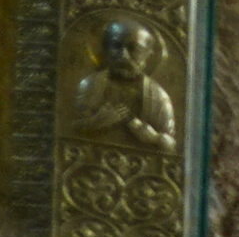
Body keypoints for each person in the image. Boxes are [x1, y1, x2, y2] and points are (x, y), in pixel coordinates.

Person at [72, 20, 177, 153]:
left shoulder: (158, 96)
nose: (123, 55)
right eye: (116, 46)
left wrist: (155, 138)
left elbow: (171, 146)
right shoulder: (91, 85)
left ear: (148, 53)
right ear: (106, 48)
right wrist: (97, 122)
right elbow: (71, 128)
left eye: (134, 49)